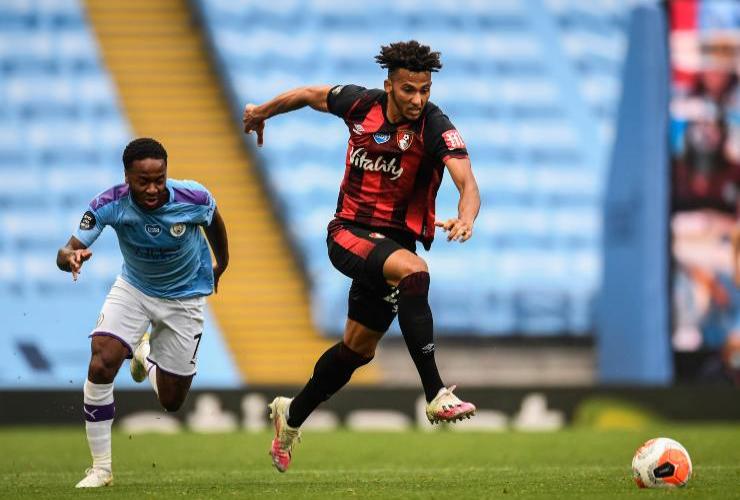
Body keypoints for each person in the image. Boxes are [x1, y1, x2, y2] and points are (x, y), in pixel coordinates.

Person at [242, 40, 481, 472]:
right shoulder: (358, 104)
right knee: (415, 273)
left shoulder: (434, 125)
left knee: (356, 351)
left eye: (424, 90)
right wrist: (261, 112)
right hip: (348, 233)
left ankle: (289, 417)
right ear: (388, 85)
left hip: (391, 247)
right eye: (409, 90)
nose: (418, 99)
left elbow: (467, 181)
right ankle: (436, 394)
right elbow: (308, 95)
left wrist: (466, 218)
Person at [56, 138, 229, 488]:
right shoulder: (109, 204)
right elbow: (66, 249)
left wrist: (222, 263)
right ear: (127, 177)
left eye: (159, 179)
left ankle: (145, 354)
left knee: (172, 401)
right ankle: (101, 469)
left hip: (185, 298)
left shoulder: (192, 198)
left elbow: (214, 220)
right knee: (102, 360)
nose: (152, 188)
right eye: (143, 182)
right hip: (134, 289)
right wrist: (69, 259)